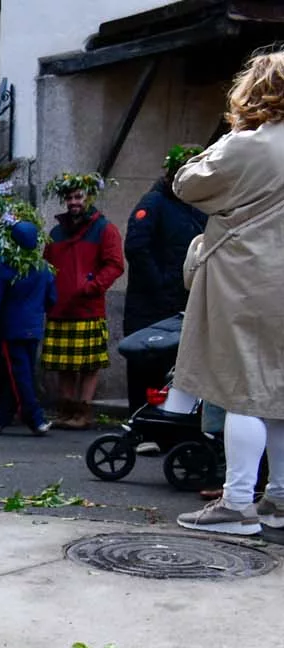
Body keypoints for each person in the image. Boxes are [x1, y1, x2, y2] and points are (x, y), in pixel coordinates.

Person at [172, 49, 284, 536]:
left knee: (243, 392)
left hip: (247, 279)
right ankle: (279, 499)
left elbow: (187, 183)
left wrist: (230, 137)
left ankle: (237, 504)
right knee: (278, 392)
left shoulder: (249, 145)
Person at [122, 144, 208, 412]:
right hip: (150, 306)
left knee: (173, 370)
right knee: (145, 368)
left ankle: (168, 424)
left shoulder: (195, 208)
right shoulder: (153, 204)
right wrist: (161, 283)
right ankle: (142, 424)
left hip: (180, 303)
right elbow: (137, 247)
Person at [42, 171, 125, 430]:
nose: (73, 202)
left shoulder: (105, 229)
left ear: (89, 198)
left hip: (88, 307)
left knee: (89, 365)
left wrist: (93, 287)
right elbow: (46, 265)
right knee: (63, 364)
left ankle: (84, 412)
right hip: (60, 307)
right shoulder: (56, 232)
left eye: (78, 197)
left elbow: (115, 264)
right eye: (69, 197)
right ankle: (67, 411)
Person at [0, 220, 57, 436]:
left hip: (11, 329)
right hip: (33, 327)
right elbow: (52, 298)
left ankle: (35, 418)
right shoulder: (43, 268)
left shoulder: (6, 268)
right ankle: (2, 417)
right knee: (22, 372)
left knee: (19, 374)